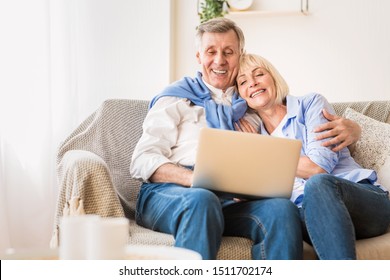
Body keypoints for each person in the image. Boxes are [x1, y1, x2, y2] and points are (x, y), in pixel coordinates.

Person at [130, 17, 361, 260]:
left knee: (281, 209)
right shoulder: (176, 98)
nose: (219, 60)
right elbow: (142, 159)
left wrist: (356, 130)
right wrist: (196, 179)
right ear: (199, 57)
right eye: (211, 51)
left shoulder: (251, 107)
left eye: (228, 52)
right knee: (202, 198)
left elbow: (283, 130)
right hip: (170, 192)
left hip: (227, 200)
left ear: (240, 55)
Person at [235, 53, 390, 260]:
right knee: (279, 216)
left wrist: (262, 153)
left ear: (273, 77)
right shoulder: (253, 136)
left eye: (259, 74)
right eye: (243, 82)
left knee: (317, 184)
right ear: (239, 94)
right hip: (305, 215)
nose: (252, 83)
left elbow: (317, 167)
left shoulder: (310, 105)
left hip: (361, 202)